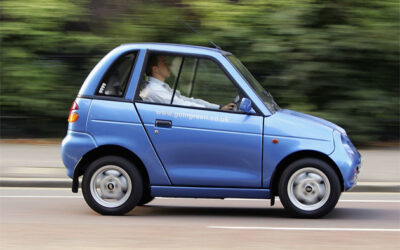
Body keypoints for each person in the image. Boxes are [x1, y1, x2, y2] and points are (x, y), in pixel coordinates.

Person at [139, 55, 235, 110]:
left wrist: (218, 107)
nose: (168, 66)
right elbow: (182, 104)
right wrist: (216, 111)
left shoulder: (162, 87)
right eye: (164, 63)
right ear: (155, 69)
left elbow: (188, 100)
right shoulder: (154, 90)